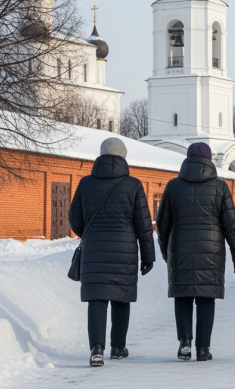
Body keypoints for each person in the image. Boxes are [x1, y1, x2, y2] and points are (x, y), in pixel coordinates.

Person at [69, 138, 155, 367]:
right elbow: (144, 224)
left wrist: (89, 232)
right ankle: (118, 347)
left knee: (96, 299)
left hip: (94, 249)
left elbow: (74, 219)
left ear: (101, 154)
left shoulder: (85, 183)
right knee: (121, 297)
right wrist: (148, 256)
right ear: (123, 157)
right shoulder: (134, 185)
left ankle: (97, 349)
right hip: (124, 250)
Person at [157, 142, 235, 362]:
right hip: (211, 250)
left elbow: (163, 224)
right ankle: (203, 349)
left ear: (187, 160)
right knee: (206, 299)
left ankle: (185, 341)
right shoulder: (220, 187)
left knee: (183, 296)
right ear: (208, 161)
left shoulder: (173, 186)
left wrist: (166, 251)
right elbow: (231, 225)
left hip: (180, 248)